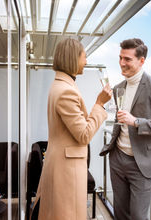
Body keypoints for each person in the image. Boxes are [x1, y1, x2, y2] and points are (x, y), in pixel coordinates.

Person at [31, 38, 112, 219]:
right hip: (66, 170)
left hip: (63, 165)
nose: (86, 61)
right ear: (72, 58)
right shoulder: (66, 91)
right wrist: (99, 104)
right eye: (84, 57)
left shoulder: (62, 85)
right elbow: (83, 135)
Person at [100, 38, 151, 220]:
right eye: (120, 57)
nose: (121, 63)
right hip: (117, 159)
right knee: (120, 214)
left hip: (142, 164)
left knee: (137, 217)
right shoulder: (119, 87)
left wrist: (136, 122)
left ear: (141, 61)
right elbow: (120, 122)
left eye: (127, 59)